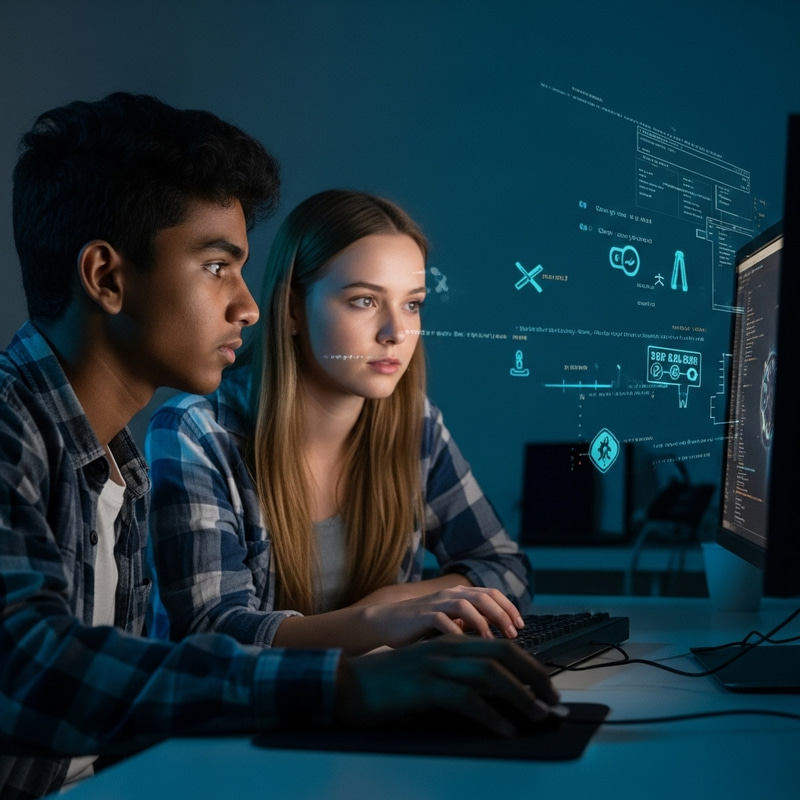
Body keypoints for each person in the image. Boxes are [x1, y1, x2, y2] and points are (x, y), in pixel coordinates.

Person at [0, 94, 558, 799]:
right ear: (108, 277)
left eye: (412, 303)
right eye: (215, 267)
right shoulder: (18, 429)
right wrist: (347, 681)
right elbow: (27, 671)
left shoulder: (117, 461)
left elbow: (123, 699)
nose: (247, 306)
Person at [147, 189, 533, 655]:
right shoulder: (195, 432)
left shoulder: (416, 427)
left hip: (381, 709)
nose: (395, 333)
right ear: (292, 309)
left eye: (412, 304)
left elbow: (505, 566)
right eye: (364, 301)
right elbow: (213, 632)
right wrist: (376, 620)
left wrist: (398, 600)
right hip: (244, 722)